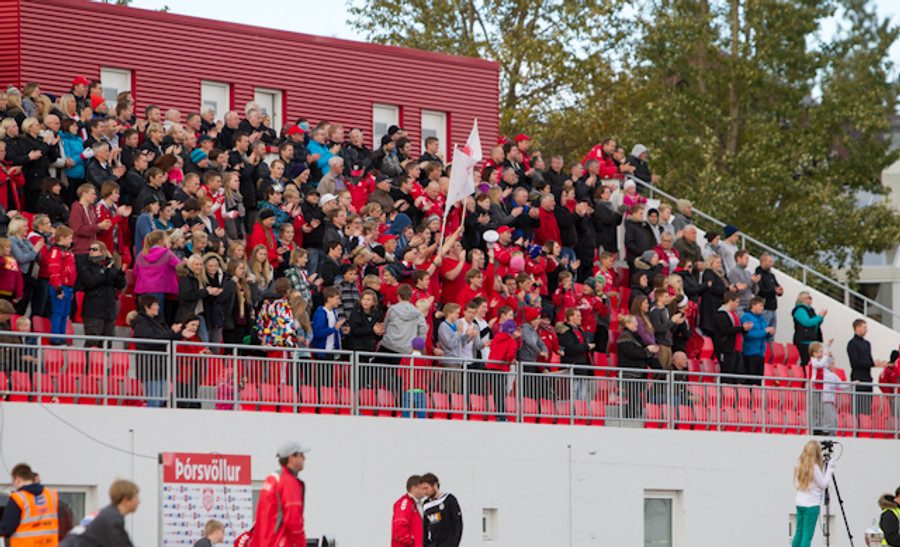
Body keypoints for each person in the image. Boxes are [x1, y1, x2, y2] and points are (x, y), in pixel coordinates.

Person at [250, 440, 309, 547]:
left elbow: (260, 517)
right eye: (301, 455)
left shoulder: (271, 479)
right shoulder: (288, 482)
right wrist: (301, 544)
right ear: (291, 458)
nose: (304, 458)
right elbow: (293, 520)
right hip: (280, 542)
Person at [59, 479, 140, 547]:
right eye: (136, 498)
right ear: (125, 500)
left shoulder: (106, 514)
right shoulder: (113, 519)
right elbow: (123, 543)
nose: (139, 502)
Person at [77, 241, 125, 346]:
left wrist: (120, 276)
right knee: (92, 342)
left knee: (107, 343)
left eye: (94, 249)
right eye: (90, 249)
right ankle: (89, 357)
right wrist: (104, 271)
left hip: (109, 309)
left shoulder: (111, 265)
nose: (91, 251)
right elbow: (89, 282)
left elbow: (119, 285)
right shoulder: (86, 265)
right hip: (93, 310)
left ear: (102, 251)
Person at [0, 463, 60, 545]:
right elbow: (58, 522)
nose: (14, 485)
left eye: (13, 481)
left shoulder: (18, 498)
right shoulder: (52, 495)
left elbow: (6, 528)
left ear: (18, 479)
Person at [792, 441, 835, 547]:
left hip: (800, 502)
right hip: (811, 504)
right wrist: (830, 469)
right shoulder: (814, 467)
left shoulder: (799, 464)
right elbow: (823, 484)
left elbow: (797, 484)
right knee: (807, 535)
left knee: (799, 532)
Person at [847, 319, 886, 416]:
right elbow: (855, 362)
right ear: (857, 328)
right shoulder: (852, 343)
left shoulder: (867, 343)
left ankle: (866, 423)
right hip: (858, 379)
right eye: (864, 327)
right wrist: (872, 363)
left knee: (867, 407)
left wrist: (877, 364)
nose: (866, 329)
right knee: (858, 406)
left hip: (867, 378)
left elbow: (869, 361)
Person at [712, 291, 753, 382]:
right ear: (730, 301)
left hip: (736, 348)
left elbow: (736, 329)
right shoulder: (721, 314)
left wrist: (744, 329)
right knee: (727, 374)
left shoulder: (734, 314)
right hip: (727, 348)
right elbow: (726, 329)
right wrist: (742, 328)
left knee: (737, 375)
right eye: (736, 302)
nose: (737, 305)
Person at [421, 473, 463, 547]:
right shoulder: (426, 504)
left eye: (426, 488)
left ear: (435, 485)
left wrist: (454, 544)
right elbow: (425, 528)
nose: (425, 492)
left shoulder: (448, 499)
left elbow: (457, 523)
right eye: (423, 489)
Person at [740, 297, 774, 385]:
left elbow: (765, 333)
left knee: (759, 379)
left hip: (761, 351)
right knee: (751, 378)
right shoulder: (746, 317)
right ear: (753, 306)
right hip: (751, 351)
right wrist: (764, 331)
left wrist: (769, 333)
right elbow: (748, 335)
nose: (762, 308)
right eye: (760, 306)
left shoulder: (761, 318)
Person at [792, 291, 825, 367]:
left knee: (813, 361)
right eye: (809, 298)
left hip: (812, 339)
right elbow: (807, 322)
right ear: (803, 299)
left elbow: (815, 322)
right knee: (806, 360)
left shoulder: (810, 309)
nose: (811, 299)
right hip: (804, 340)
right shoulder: (800, 310)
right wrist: (819, 317)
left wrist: (821, 317)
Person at [392, 475, 426, 547]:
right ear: (414, 488)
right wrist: (410, 541)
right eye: (422, 488)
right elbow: (400, 525)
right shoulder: (405, 503)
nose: (425, 491)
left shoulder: (418, 504)